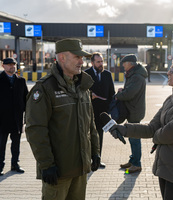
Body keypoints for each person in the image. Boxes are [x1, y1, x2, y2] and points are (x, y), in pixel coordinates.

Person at [110, 55, 173, 200]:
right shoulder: (171, 99)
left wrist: (157, 137)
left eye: (172, 70)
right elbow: (152, 127)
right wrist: (123, 129)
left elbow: (168, 134)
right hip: (165, 167)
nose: (168, 73)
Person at [25, 38, 100, 199]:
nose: (81, 62)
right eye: (77, 57)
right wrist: (46, 164)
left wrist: (95, 152)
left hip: (81, 168)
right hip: (58, 171)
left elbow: (90, 124)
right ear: (62, 58)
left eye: (82, 58)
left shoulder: (83, 86)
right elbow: (35, 129)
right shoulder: (45, 89)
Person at [115, 54, 147, 174]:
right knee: (132, 137)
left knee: (134, 138)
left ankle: (136, 164)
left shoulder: (137, 77)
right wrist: (123, 91)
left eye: (124, 63)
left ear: (130, 64)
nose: (123, 65)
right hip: (132, 109)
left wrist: (117, 96)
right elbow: (129, 91)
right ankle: (133, 160)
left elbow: (130, 94)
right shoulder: (133, 75)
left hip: (135, 110)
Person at [85, 52, 115, 168]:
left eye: (102, 61)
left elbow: (111, 93)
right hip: (89, 111)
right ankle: (88, 160)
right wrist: (90, 95)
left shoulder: (107, 74)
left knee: (100, 135)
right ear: (92, 63)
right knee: (88, 136)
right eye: (98, 62)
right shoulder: (86, 74)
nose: (101, 64)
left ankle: (98, 159)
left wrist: (109, 108)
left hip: (103, 112)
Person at [0, 58, 28, 176]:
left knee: (16, 144)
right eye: (9, 65)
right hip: (2, 119)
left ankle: (15, 164)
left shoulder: (21, 81)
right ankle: (0, 166)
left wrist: (27, 114)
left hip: (17, 118)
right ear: (3, 66)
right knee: (1, 144)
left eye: (13, 64)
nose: (12, 66)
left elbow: (26, 98)